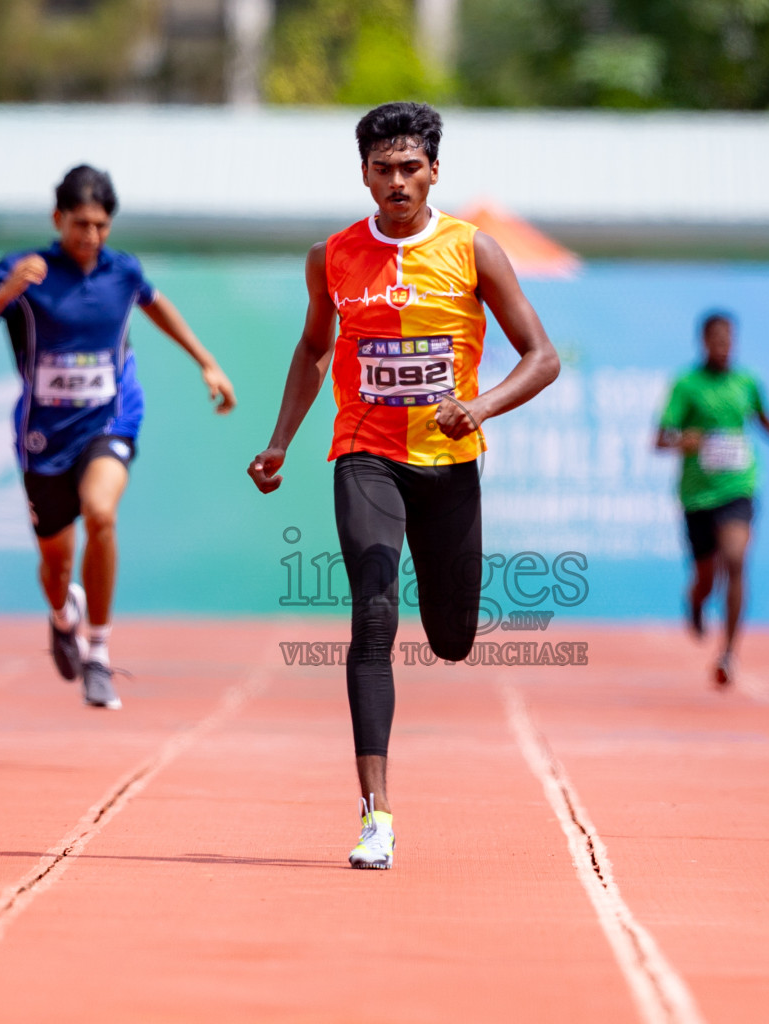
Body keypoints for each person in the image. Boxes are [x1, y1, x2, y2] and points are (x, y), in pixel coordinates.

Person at [247, 102, 559, 870]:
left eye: (409, 168)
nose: (396, 182)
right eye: (382, 169)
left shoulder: (472, 251)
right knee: (373, 611)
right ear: (364, 174)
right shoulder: (333, 257)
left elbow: (542, 357)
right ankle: (375, 814)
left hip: (448, 461)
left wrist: (478, 407)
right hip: (365, 452)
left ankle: (442, 610)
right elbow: (315, 349)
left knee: (450, 638)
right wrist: (280, 440)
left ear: (434, 172)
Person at [0, 165, 236, 710]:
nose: (91, 236)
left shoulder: (122, 272)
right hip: (43, 435)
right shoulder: (23, 270)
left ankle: (98, 653)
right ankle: (63, 617)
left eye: (101, 225)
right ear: (58, 219)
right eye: (80, 224)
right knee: (56, 563)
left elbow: (158, 307)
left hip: (110, 417)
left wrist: (207, 363)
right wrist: (7, 292)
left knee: (100, 512)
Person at [655, 312, 769, 688]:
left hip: (738, 486)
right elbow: (660, 439)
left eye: (729, 340)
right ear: (703, 342)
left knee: (736, 560)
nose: (723, 347)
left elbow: (763, 418)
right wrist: (683, 441)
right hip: (697, 494)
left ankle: (728, 651)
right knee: (707, 576)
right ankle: (695, 600)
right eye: (716, 340)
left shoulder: (747, 382)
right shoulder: (686, 385)